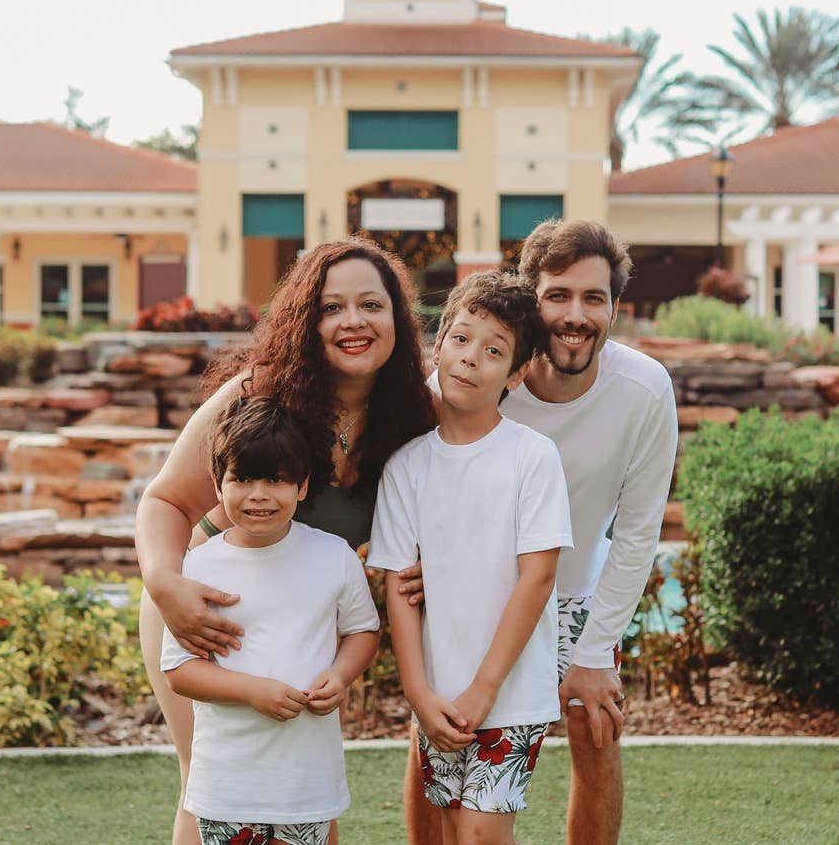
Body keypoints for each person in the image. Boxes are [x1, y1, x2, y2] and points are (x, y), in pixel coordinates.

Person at [136, 237, 437, 844]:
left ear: (397, 321)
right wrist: (167, 587)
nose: (353, 321)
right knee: (212, 788)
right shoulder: (256, 396)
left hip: (306, 623)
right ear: (307, 319)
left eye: (371, 306)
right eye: (332, 308)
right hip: (210, 612)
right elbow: (165, 501)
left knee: (301, 794)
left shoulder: (415, 414)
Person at [405, 219, 679, 845]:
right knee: (436, 735)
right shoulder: (477, 376)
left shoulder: (644, 389)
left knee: (595, 723)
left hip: (576, 589)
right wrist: (420, 563)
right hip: (473, 592)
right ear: (533, 298)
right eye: (558, 295)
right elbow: (412, 477)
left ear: (615, 307)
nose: (575, 315)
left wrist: (591, 655)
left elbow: (637, 531)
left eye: (593, 298)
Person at [370, 272, 573, 845]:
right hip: (437, 693)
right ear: (438, 346)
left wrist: (485, 688)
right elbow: (399, 589)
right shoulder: (406, 466)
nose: (469, 360)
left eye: (493, 351)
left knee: (483, 835)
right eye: (460, 340)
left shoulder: (532, 457)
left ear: (515, 373)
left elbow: (538, 578)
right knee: (456, 830)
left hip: (510, 690)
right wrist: (418, 693)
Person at [161, 396, 380, 845]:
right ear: (218, 488)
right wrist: (252, 691)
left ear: (302, 486)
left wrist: (341, 675)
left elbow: (362, 631)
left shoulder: (333, 556)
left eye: (276, 480)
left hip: (305, 781)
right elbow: (180, 672)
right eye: (242, 478)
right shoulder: (200, 568)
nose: (259, 494)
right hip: (228, 784)